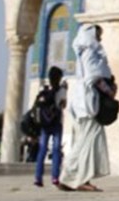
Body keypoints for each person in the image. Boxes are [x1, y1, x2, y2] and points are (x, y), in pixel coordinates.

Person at [59, 24, 114, 192]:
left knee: (85, 141)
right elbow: (93, 76)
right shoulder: (89, 52)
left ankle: (73, 178)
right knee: (88, 141)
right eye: (98, 35)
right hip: (88, 102)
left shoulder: (84, 52)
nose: (100, 39)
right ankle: (76, 178)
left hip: (83, 101)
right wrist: (109, 90)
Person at [34, 66, 67, 187]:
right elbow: (63, 105)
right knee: (56, 149)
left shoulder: (44, 89)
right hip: (56, 123)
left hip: (44, 124)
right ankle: (55, 177)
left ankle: (38, 177)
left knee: (42, 150)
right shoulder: (61, 90)